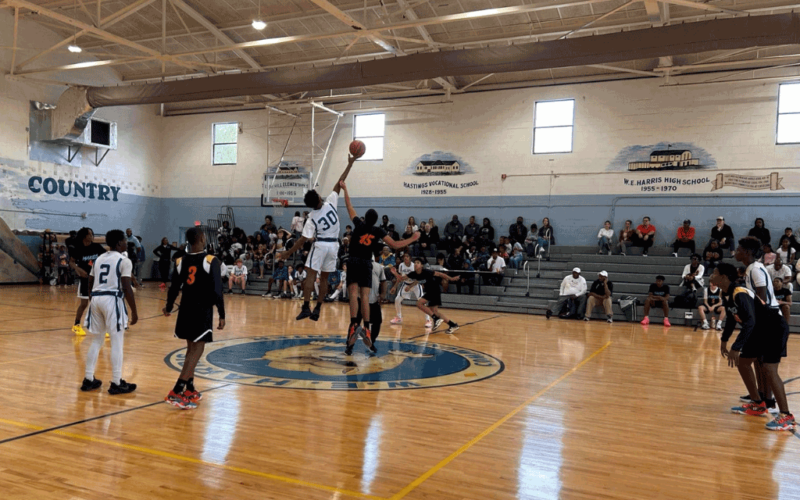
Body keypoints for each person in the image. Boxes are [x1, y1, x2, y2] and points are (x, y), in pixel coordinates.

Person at [713, 260, 794, 431]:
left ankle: (786, 415)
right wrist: (724, 340)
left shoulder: (739, 293)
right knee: (743, 363)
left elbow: (750, 320)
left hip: (773, 328)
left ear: (724, 277)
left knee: (770, 370)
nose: (711, 276)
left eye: (714, 273)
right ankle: (758, 404)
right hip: (759, 330)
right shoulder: (726, 293)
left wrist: (736, 346)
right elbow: (730, 317)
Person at [340, 181, 420, 350]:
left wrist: (345, 188)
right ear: (376, 221)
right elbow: (396, 245)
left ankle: (354, 324)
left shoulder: (358, 224)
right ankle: (367, 329)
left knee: (353, 293)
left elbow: (349, 206)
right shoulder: (378, 231)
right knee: (365, 296)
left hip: (354, 260)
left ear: (364, 218)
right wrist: (412, 239)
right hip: (367, 263)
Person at [278, 155, 356, 321]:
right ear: (320, 197)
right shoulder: (330, 203)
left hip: (320, 246)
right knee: (325, 279)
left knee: (311, 276)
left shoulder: (312, 216)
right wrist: (350, 163)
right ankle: (319, 308)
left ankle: (306, 307)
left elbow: (303, 239)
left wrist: (288, 252)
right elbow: (340, 181)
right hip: (334, 246)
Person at [162, 227, 225, 410]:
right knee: (196, 351)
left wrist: (168, 307)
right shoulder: (210, 260)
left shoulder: (181, 260)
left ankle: (189, 388)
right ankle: (177, 390)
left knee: (191, 348)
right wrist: (222, 314)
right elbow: (217, 290)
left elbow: (174, 288)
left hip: (185, 309)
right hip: (201, 310)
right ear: (201, 239)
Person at [81, 230, 139, 395]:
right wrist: (134, 311)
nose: (127, 244)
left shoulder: (99, 258)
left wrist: (93, 297)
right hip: (112, 299)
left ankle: (88, 379)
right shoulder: (123, 260)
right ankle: (116, 381)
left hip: (97, 299)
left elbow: (90, 280)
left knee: (97, 340)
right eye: (125, 241)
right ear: (120, 242)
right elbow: (127, 287)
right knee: (117, 341)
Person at [404, 258, 460, 334]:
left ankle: (436, 319)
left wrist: (451, 279)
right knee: (434, 311)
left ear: (421, 265)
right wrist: (409, 286)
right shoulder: (415, 274)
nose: (416, 264)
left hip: (434, 290)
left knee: (419, 303)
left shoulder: (427, 272)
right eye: (415, 262)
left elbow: (440, 274)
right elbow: (416, 281)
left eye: (418, 262)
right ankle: (453, 325)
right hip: (430, 291)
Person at [69, 228, 107, 336]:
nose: (92, 236)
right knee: (84, 304)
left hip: (96, 279)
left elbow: (106, 257)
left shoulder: (97, 247)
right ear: (84, 236)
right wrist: (78, 269)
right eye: (90, 234)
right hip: (85, 280)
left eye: (92, 234)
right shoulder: (78, 249)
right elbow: (71, 262)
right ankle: (76, 325)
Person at [350, 260, 387, 355]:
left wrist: (383, 294)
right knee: (354, 324)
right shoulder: (358, 265)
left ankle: (371, 343)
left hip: (374, 300)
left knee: (377, 324)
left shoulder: (379, 267)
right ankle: (349, 346)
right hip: (360, 299)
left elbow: (383, 281)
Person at [390, 253, 431, 327]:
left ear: (410, 258)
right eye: (404, 257)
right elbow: (400, 278)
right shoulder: (401, 265)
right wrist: (395, 286)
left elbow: (418, 279)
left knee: (422, 302)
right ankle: (399, 317)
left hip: (415, 284)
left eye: (407, 256)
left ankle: (428, 320)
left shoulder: (414, 266)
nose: (405, 258)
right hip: (405, 284)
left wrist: (410, 286)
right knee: (397, 299)